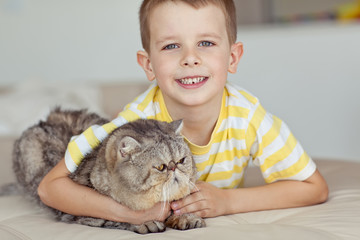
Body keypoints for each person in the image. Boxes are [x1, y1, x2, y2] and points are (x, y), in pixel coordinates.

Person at [38, 0, 328, 224]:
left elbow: (314, 187)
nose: (190, 58)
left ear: (233, 57)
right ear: (148, 64)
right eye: (172, 45)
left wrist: (228, 202)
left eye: (206, 43)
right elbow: (50, 188)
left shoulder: (248, 115)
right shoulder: (133, 122)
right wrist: (131, 215)